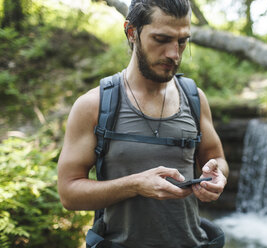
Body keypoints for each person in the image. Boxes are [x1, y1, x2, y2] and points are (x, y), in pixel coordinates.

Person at [57, 0, 229, 247]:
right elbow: (69, 194)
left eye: (182, 41)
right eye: (161, 39)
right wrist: (135, 185)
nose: (174, 54)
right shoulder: (94, 105)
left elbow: (219, 161)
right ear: (131, 32)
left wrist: (217, 176)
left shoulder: (195, 98)